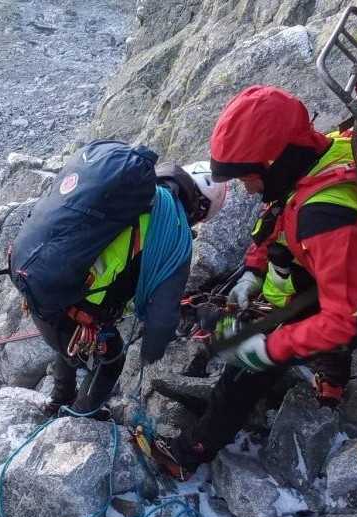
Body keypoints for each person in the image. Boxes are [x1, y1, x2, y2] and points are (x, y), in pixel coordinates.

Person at [170, 85, 357, 470]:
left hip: (338, 293)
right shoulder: (329, 150)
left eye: (248, 176)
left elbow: (356, 319)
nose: (246, 187)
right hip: (325, 278)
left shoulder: (322, 219)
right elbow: (277, 212)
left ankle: (193, 451)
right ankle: (331, 374)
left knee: (243, 370)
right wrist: (253, 271)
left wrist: (273, 347)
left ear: (276, 161)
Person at [32, 159, 227, 416]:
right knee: (112, 359)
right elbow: (160, 317)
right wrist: (154, 347)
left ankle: (59, 399)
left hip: (41, 282)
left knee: (73, 342)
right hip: (74, 307)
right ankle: (80, 414)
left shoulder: (136, 193)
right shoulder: (173, 229)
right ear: (199, 207)